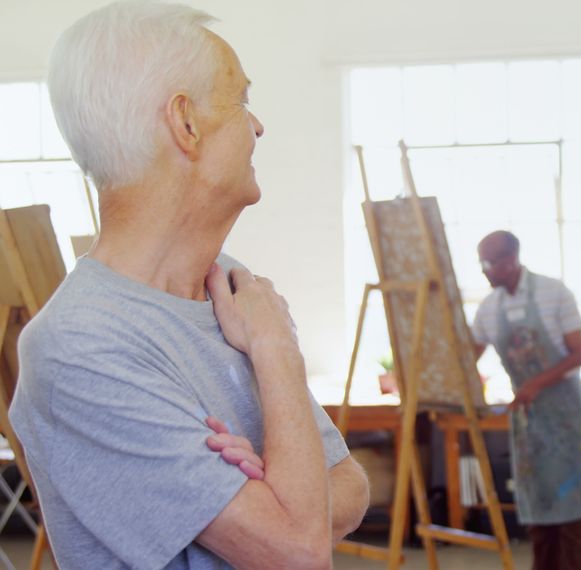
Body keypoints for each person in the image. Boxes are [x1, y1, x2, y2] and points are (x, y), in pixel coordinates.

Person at [8, 2, 369, 568]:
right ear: (186, 124)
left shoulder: (231, 284)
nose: (257, 125)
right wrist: (277, 354)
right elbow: (299, 551)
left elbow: (348, 483)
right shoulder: (78, 348)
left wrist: (277, 490)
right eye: (242, 100)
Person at [470, 230, 581, 570]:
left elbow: (579, 354)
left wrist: (535, 384)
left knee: (575, 513)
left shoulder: (554, 293)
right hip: (529, 422)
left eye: (488, 263)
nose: (484, 271)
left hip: (566, 416)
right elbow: (468, 358)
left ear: (510, 260)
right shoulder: (488, 308)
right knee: (538, 511)